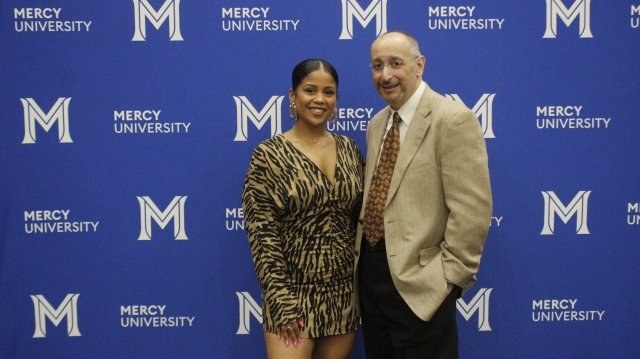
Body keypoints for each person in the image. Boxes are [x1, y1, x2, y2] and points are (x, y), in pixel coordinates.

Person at [355, 31, 492, 358]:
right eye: (377, 66)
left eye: (395, 63)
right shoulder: (376, 125)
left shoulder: (452, 119)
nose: (385, 75)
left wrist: (447, 281)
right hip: (371, 284)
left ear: (419, 65)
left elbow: (472, 210)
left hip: (423, 288)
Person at [242, 59, 363, 359]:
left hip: (343, 295)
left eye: (329, 92)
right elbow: (262, 236)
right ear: (293, 96)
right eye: (310, 90)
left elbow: (359, 221)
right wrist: (280, 299)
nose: (320, 100)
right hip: (291, 295)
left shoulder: (350, 149)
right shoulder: (268, 155)